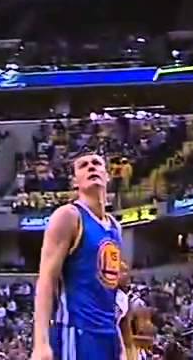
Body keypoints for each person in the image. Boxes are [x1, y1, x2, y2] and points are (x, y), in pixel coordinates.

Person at [31, 151, 127, 360]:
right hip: (77, 331)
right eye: (83, 165)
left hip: (108, 334)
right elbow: (46, 279)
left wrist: (120, 341)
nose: (91, 167)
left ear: (107, 176)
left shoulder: (115, 227)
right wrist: (40, 343)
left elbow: (111, 289)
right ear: (75, 182)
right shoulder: (68, 216)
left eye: (96, 163)